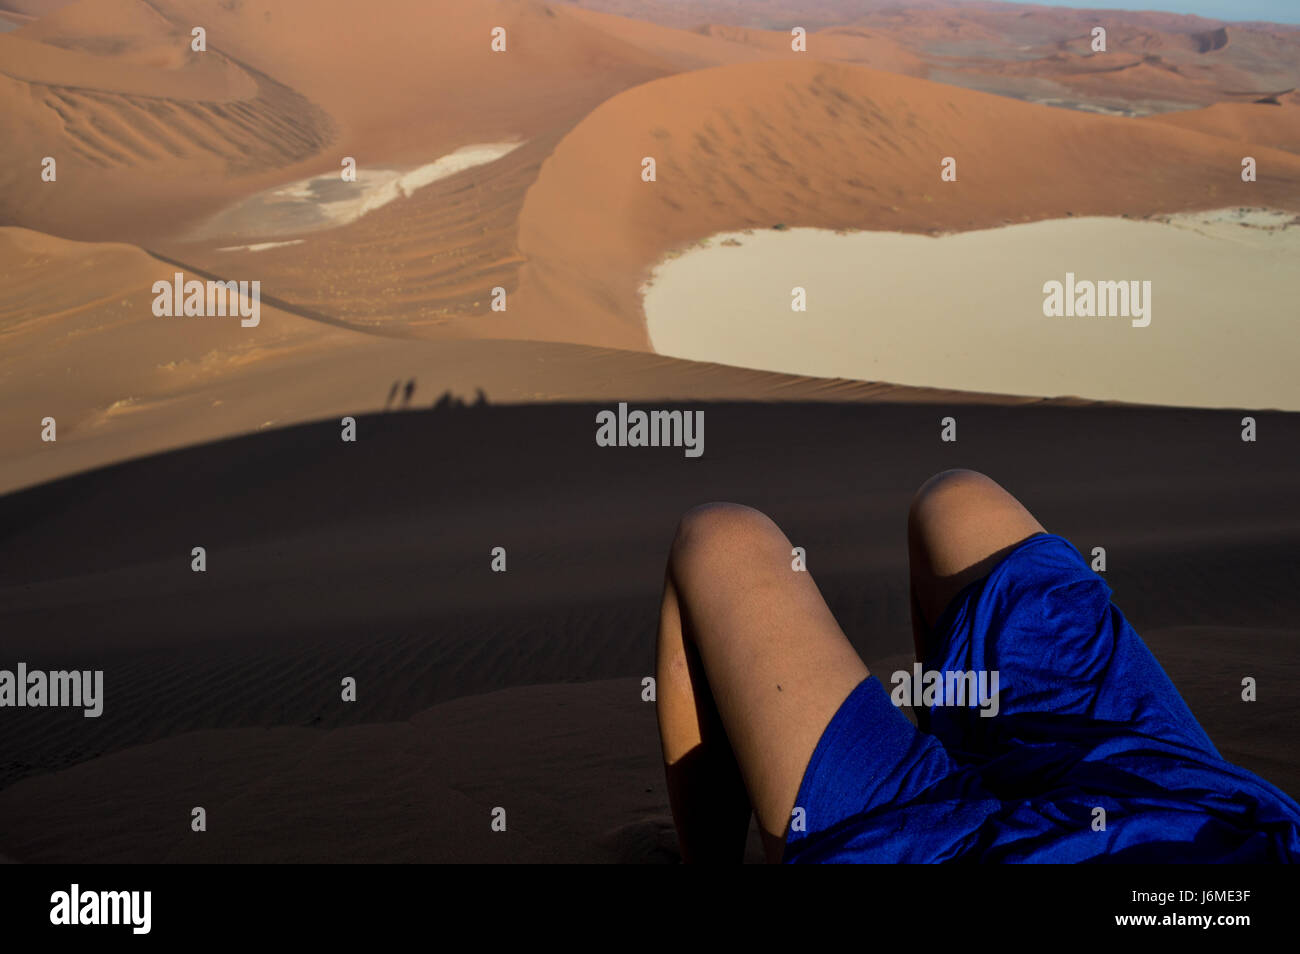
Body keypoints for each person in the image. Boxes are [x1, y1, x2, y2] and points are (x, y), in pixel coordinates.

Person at [655, 469, 1300, 863]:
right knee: (957, 502)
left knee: (720, 538)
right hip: (1181, 801)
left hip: (937, 850)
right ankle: (963, 761)